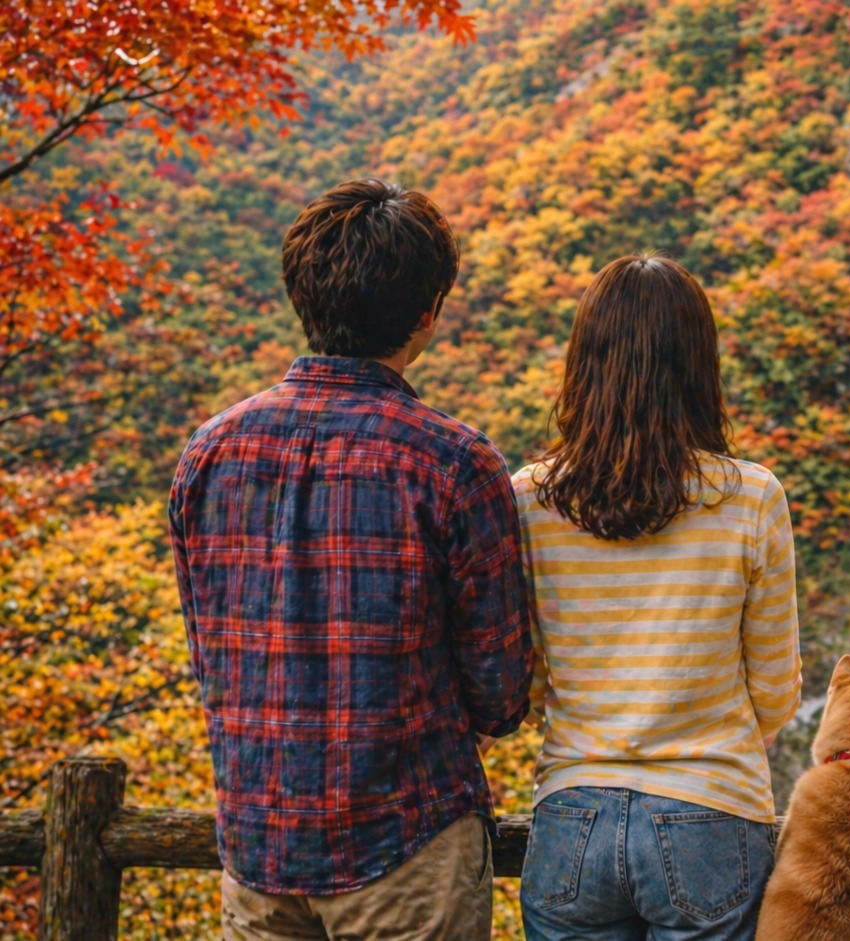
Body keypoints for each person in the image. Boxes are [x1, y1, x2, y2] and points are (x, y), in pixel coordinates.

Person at [168, 178, 535, 940]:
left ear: (302, 296)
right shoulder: (454, 463)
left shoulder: (208, 453)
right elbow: (500, 696)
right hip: (406, 848)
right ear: (427, 311)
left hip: (257, 846)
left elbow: (213, 660)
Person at [516, 254, 803, 941]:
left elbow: (521, 687)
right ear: (700, 366)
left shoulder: (527, 497)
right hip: (712, 812)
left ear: (583, 364)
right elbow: (776, 695)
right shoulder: (752, 496)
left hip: (571, 814)